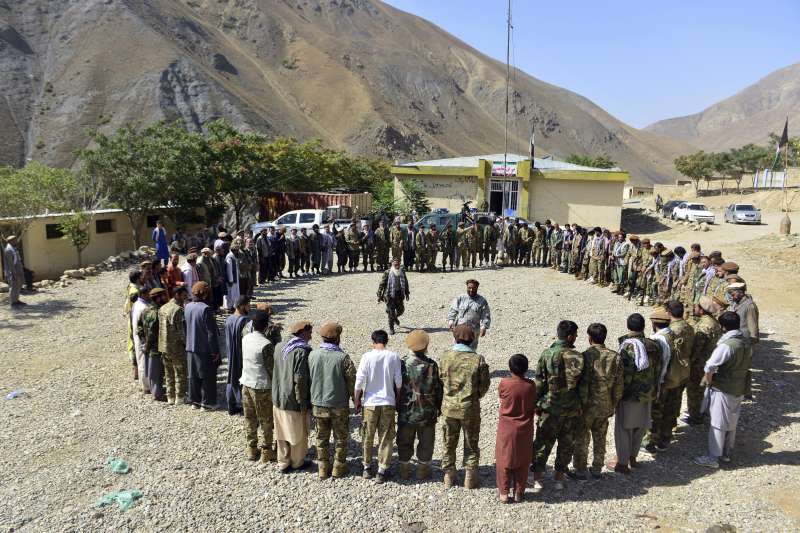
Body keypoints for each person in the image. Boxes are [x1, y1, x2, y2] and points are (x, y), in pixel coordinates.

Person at [693, 311, 752, 469]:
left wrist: (709, 381)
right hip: (740, 386)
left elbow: (710, 366)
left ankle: (713, 457)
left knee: (718, 423)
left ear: (723, 327)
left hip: (724, 387)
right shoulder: (745, 341)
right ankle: (726, 452)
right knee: (732, 421)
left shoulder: (727, 345)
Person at [531, 320, 584, 492]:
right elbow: (583, 386)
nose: (576, 337)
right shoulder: (578, 357)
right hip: (571, 409)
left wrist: (535, 404)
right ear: (569, 337)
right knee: (566, 444)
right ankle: (559, 478)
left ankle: (538, 478)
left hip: (549, 408)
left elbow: (539, 382)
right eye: (575, 335)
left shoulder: (547, 354)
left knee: (542, 443)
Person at [607, 313, 661, 475]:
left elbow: (624, 374)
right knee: (640, 427)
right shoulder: (654, 345)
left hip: (629, 395)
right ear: (643, 326)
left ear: (628, 325)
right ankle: (633, 458)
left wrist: (615, 394)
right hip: (648, 393)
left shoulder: (627, 345)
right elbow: (658, 370)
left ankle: (622, 463)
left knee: (624, 429)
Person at [439, 326, 490, 489]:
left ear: (455, 338)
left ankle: (449, 476)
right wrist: (475, 396)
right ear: (472, 340)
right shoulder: (478, 359)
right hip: (469, 408)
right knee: (471, 442)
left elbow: (441, 380)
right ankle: (470, 478)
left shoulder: (445, 357)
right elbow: (484, 385)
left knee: (448, 441)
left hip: (449, 407)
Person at [571, 323, 623, 480]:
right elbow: (619, 384)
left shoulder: (584, 356)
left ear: (589, 338)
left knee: (582, 437)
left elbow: (577, 383)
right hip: (605, 405)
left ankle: (580, 469)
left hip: (586, 406)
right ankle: (597, 468)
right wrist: (614, 403)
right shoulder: (615, 357)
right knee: (600, 437)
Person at [308, 321, 357, 479]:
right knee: (340, 437)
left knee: (321, 437)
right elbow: (352, 382)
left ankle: (322, 467)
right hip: (338, 405)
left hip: (318, 403)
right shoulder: (343, 358)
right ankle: (338, 467)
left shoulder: (312, 355)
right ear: (338, 338)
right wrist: (356, 400)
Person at [355, 330, 402, 483]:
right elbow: (398, 382)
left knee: (367, 436)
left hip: (370, 403)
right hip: (388, 401)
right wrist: (398, 399)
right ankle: (382, 470)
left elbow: (359, 381)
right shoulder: (393, 356)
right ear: (386, 340)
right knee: (386, 437)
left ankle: (367, 467)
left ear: (373, 341)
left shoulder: (366, 357)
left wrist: (356, 400)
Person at [396, 330, 442, 481]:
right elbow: (438, 388)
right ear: (426, 346)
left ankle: (404, 470)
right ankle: (423, 471)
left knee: (404, 442)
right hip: (427, 412)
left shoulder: (401, 364)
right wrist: (439, 407)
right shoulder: (432, 365)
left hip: (406, 412)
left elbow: (395, 387)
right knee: (426, 443)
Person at [272, 321, 313, 473]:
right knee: (298, 434)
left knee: (281, 432)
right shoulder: (302, 351)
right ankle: (297, 462)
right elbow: (300, 379)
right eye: (309, 332)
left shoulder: (279, 346)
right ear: (302, 332)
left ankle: (283, 461)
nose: (311, 335)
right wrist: (303, 402)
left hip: (278, 396)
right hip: (292, 399)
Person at [495, 354, 537, 503]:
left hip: (506, 427)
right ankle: (519, 491)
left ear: (510, 368)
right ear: (526, 369)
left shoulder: (505, 383)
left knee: (504, 459)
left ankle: (504, 493)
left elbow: (502, 396)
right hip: (525, 427)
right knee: (523, 460)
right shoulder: (531, 385)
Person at [241, 310, 277, 463]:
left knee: (249, 417)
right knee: (266, 420)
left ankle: (251, 448)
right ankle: (267, 450)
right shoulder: (266, 344)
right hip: (262, 385)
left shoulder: (246, 338)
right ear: (266, 325)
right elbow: (271, 369)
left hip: (246, 381)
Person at [683, 296, 722, 425]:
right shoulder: (714, 322)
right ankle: (702, 412)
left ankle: (695, 416)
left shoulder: (703, 326)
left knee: (694, 390)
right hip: (711, 360)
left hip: (700, 363)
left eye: (697, 306)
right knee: (704, 389)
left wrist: (690, 362)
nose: (694, 308)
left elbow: (697, 348)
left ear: (701, 310)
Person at [185, 282, 221, 410]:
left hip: (190, 346)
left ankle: (194, 401)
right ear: (205, 293)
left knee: (193, 375)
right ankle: (207, 403)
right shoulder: (205, 309)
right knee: (207, 376)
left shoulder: (187, 306)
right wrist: (215, 351)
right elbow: (211, 333)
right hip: (204, 348)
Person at [158, 285, 189, 405]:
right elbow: (181, 331)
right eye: (184, 295)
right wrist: (186, 344)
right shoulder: (178, 310)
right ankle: (180, 397)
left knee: (168, 372)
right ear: (177, 295)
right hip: (176, 346)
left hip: (163, 345)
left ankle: (170, 396)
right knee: (180, 372)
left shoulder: (163, 307)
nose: (185, 297)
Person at [137, 287, 169, 401]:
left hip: (149, 346)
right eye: (164, 296)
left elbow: (139, 326)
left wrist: (143, 341)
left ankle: (155, 390)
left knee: (152, 370)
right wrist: (148, 344)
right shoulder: (158, 313)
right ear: (158, 298)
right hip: (155, 347)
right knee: (156, 372)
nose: (166, 298)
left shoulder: (146, 310)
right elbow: (152, 333)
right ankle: (157, 394)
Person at [225, 296, 252, 415]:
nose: (249, 307)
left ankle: (231, 405)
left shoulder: (229, 319)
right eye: (248, 305)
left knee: (231, 378)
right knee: (242, 380)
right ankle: (244, 405)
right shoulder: (245, 321)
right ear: (242, 306)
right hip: (241, 354)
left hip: (230, 353)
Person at [446, 279, 491, 349]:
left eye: (474, 288)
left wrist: (483, 327)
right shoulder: (460, 298)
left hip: (473, 332)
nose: (471, 290)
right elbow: (453, 309)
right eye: (469, 288)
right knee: (457, 349)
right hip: (460, 330)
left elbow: (485, 315)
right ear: (466, 287)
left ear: (477, 288)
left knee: (470, 351)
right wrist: (451, 321)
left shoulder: (482, 301)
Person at [377, 257, 410, 335]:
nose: (396, 265)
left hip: (399, 294)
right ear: (392, 264)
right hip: (389, 295)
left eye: (398, 264)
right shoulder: (387, 272)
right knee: (391, 312)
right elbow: (382, 284)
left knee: (401, 310)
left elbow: (406, 282)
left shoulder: (402, 271)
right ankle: (391, 328)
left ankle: (394, 317)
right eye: (395, 264)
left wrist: (407, 293)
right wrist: (379, 294)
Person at [131, 287, 151, 394]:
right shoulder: (143, 307)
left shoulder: (136, 304)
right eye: (148, 294)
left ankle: (142, 383)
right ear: (143, 295)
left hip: (136, 335)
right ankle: (146, 386)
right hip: (142, 336)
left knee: (140, 359)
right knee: (143, 361)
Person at [124, 270, 142, 379]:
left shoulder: (130, 286)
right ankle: (135, 370)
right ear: (137, 279)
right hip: (134, 317)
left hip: (131, 315)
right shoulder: (135, 291)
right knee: (135, 343)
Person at [4, 236, 26, 307]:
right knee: (13, 286)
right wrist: (14, 273)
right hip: (13, 271)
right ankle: (13, 302)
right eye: (15, 240)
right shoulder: (8, 250)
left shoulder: (13, 248)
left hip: (18, 269)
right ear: (11, 241)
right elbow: (10, 264)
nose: (16, 241)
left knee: (18, 285)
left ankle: (16, 300)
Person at [223, 242, 241, 312]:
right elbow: (229, 270)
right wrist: (231, 280)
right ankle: (229, 307)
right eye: (237, 250)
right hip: (231, 280)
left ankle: (233, 305)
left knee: (234, 293)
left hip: (234, 278)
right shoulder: (229, 257)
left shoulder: (233, 256)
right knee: (230, 294)